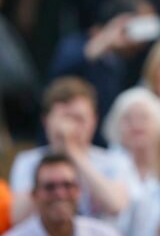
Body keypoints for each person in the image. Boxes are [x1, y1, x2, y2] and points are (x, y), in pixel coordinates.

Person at [9, 77, 131, 225]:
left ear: (94, 121)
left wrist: (72, 152)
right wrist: (55, 157)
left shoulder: (113, 160)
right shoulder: (28, 161)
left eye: (79, 119)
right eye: (65, 118)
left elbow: (115, 206)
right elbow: (18, 217)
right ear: (46, 122)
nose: (70, 127)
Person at [49, 0, 160, 144]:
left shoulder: (124, 62)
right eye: (141, 26)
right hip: (61, 142)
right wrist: (105, 39)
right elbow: (58, 75)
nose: (143, 40)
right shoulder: (74, 45)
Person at [102, 87, 160, 236]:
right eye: (127, 119)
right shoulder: (106, 165)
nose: (136, 124)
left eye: (143, 118)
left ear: (159, 123)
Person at [4, 153, 121, 236]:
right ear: (34, 195)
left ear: (78, 191)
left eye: (67, 185)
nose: (60, 194)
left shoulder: (103, 233)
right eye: (50, 187)